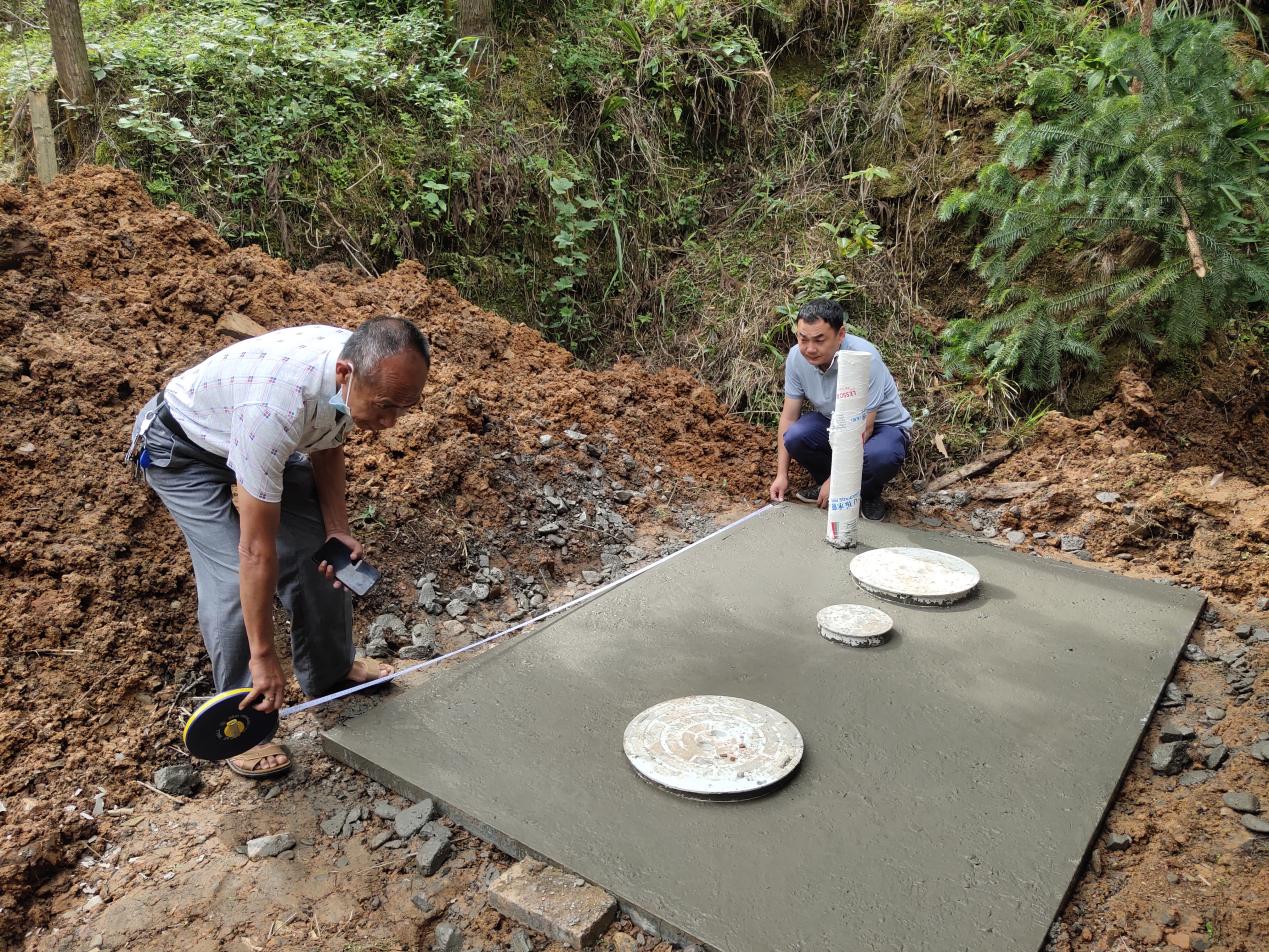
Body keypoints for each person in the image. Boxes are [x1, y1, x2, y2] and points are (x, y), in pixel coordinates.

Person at [128, 316, 431, 778]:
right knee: (233, 575)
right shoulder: (277, 407)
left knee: (321, 553)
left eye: (403, 409)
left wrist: (337, 528)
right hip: (181, 448)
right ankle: (243, 713)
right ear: (346, 374)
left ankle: (330, 672)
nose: (389, 423)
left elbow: (329, 440)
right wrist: (265, 655)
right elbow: (256, 550)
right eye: (386, 407)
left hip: (250, 433)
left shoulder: (354, 375)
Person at [768, 298, 911, 521]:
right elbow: (789, 417)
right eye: (803, 338)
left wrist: (836, 480)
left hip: (880, 428)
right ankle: (829, 483)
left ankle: (868, 494)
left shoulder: (864, 358)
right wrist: (781, 475)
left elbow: (864, 428)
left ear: (840, 334)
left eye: (819, 340)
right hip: (834, 422)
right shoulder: (797, 357)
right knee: (796, 436)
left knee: (880, 455)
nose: (810, 348)